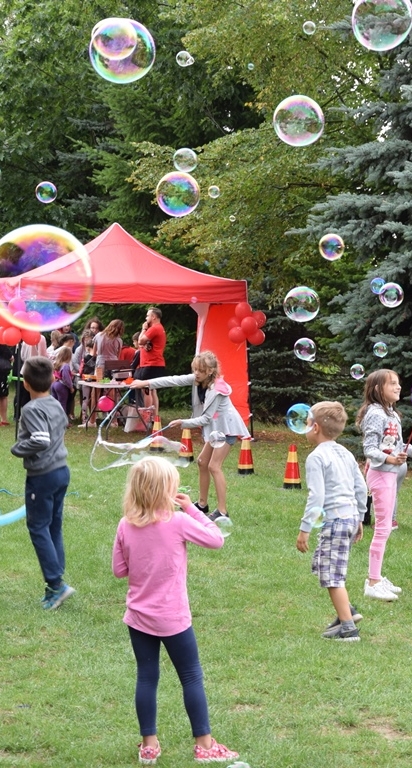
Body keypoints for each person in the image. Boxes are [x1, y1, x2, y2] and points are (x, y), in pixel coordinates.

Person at [112, 456, 239, 765]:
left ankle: (149, 746)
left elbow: (119, 570)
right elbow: (215, 539)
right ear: (164, 490)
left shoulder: (125, 524)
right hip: (173, 617)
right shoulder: (180, 521)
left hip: (139, 616)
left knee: (147, 677)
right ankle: (205, 744)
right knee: (191, 676)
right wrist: (193, 509)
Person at [130, 351, 249, 520]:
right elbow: (173, 380)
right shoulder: (197, 379)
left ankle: (222, 511)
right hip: (217, 429)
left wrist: (183, 422)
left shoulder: (217, 389)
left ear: (209, 371)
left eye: (200, 370)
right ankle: (202, 505)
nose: (196, 373)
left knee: (214, 466)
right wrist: (145, 382)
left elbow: (206, 419)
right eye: (195, 370)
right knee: (202, 462)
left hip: (227, 428)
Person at [296, 401, 368, 641]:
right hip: (348, 518)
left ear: (315, 427)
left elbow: (316, 496)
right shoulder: (344, 452)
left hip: (336, 521)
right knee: (326, 566)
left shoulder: (316, 457)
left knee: (332, 576)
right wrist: (359, 517)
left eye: (306, 423)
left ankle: (348, 628)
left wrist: (304, 529)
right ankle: (347, 612)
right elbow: (361, 486)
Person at [355, 368, 412, 601]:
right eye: (392, 384)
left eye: (398, 383)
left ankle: (376, 577)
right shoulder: (376, 414)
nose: (398, 387)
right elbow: (369, 450)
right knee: (383, 528)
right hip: (380, 474)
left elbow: (396, 445)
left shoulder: (392, 414)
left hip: (389, 473)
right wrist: (390, 459)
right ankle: (373, 582)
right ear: (378, 389)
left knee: (385, 527)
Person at [10, 356, 74, 610]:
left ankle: (56, 585)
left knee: (38, 527)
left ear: (25, 384)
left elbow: (40, 439)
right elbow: (64, 425)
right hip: (61, 471)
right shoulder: (55, 403)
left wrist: (18, 448)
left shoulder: (32, 409)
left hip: (43, 476)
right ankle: (56, 581)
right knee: (53, 526)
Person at [134, 308, 167, 417]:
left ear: (154, 317)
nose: (146, 318)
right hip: (155, 363)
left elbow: (140, 341)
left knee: (146, 390)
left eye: (148, 316)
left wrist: (143, 329)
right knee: (153, 390)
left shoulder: (154, 328)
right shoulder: (160, 328)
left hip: (150, 364)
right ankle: (155, 416)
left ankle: (147, 417)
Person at [50, 346, 75, 418]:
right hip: (61, 386)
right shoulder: (66, 365)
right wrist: (71, 387)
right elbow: (66, 378)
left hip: (54, 384)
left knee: (54, 403)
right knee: (62, 403)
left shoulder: (57, 363)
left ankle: (53, 419)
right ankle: (63, 421)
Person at [0, 343, 13, 425]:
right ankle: (4, 419)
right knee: (3, 396)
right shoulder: (2, 344)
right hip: (1, 373)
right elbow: (11, 357)